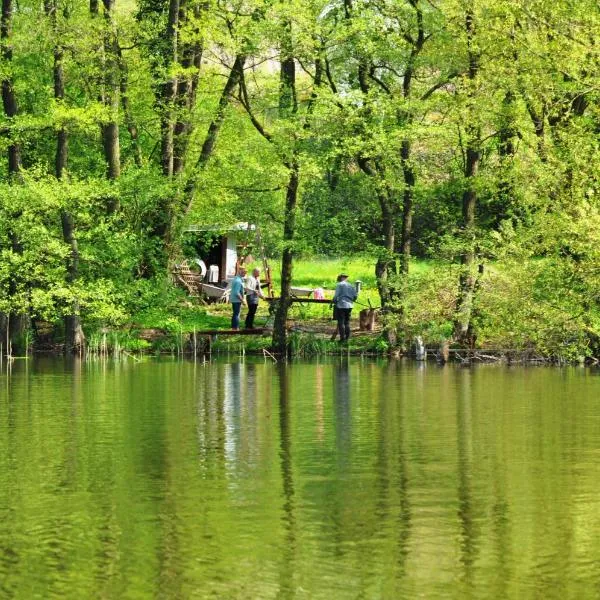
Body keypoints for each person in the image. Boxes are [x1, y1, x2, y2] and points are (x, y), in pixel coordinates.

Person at [332, 273, 357, 342]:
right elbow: (355, 296)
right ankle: (347, 339)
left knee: (341, 322)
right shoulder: (351, 285)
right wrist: (351, 300)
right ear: (346, 278)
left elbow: (336, 295)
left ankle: (342, 339)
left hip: (341, 305)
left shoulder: (339, 285)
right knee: (347, 322)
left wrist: (333, 302)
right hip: (350, 306)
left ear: (340, 278)